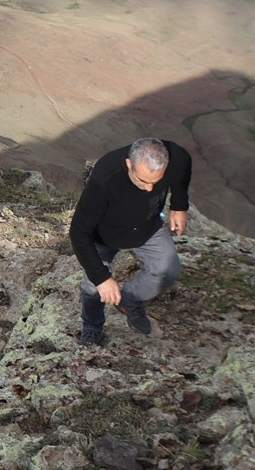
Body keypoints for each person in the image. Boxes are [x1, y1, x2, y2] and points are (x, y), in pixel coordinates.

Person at [69, 137, 192, 345]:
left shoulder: (174, 157)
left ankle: (131, 299)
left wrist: (180, 205)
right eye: (143, 181)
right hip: (105, 235)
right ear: (129, 164)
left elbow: (184, 162)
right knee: (92, 286)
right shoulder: (105, 178)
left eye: (156, 182)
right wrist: (102, 278)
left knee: (168, 268)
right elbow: (79, 232)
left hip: (146, 227)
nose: (149, 189)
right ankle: (92, 326)